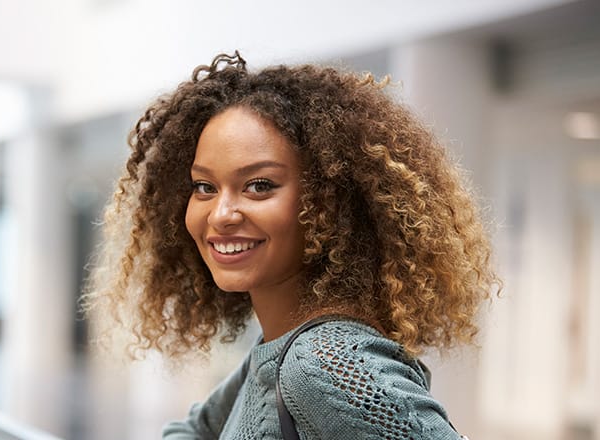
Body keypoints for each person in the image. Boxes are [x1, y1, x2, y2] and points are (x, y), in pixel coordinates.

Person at [84, 51, 499, 439]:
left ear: (329, 201)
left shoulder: (324, 364)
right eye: (204, 186)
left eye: (259, 186)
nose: (221, 213)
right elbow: (194, 431)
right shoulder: (277, 348)